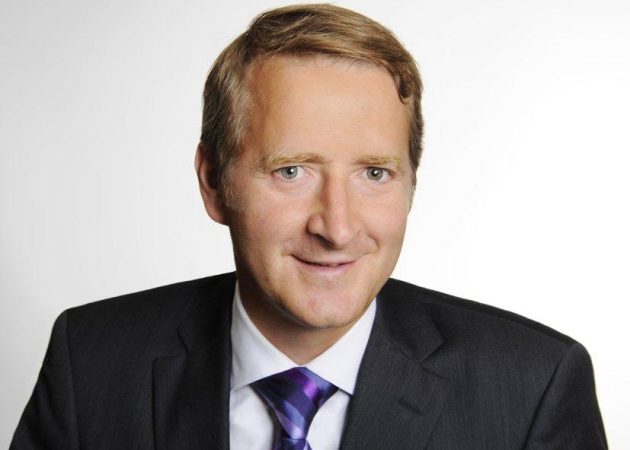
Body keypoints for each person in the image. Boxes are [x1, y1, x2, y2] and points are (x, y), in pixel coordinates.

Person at [11, 4, 606, 449]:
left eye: (375, 173)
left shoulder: (534, 388)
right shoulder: (91, 363)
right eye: (291, 170)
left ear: (412, 183)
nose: (337, 228)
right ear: (214, 183)